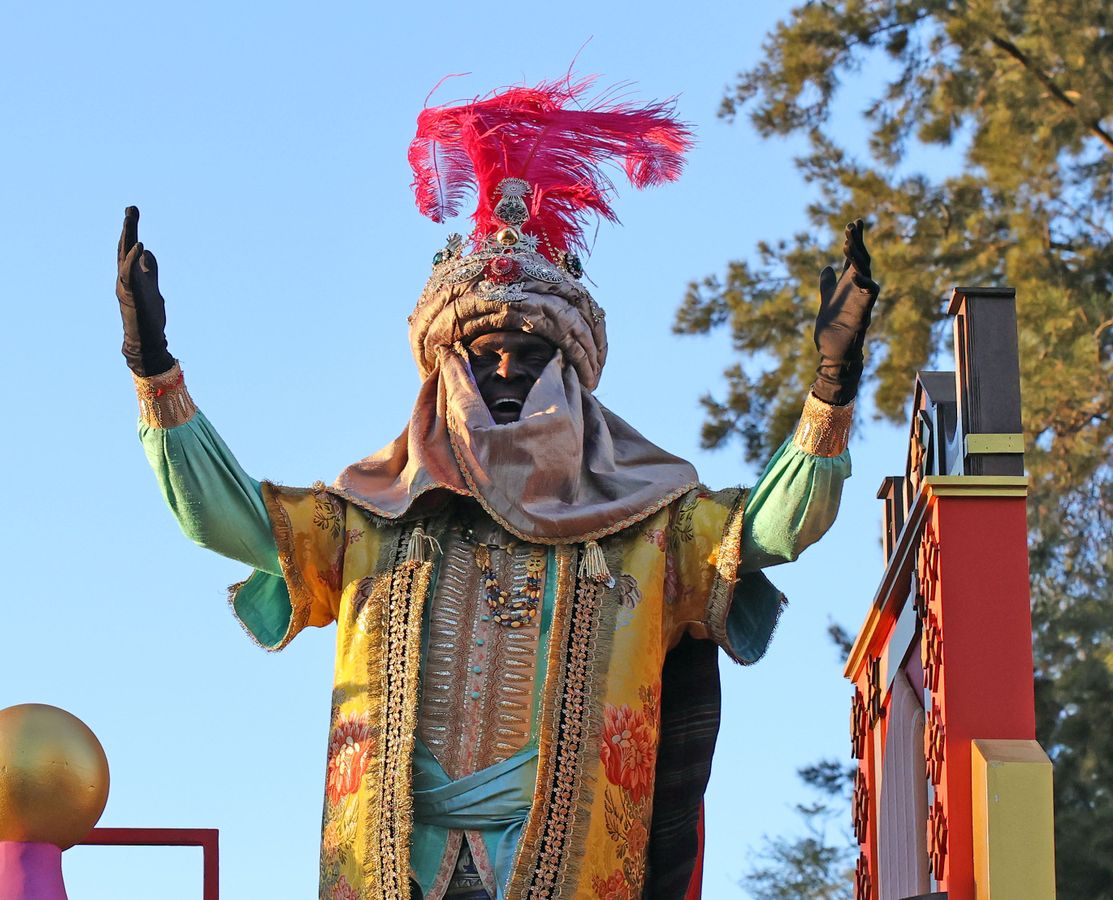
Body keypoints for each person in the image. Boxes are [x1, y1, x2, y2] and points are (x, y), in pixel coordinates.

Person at [117, 79, 878, 900]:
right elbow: (224, 519)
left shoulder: (650, 524)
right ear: (445, 370)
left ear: (573, 372)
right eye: (483, 351)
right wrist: (153, 369)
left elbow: (774, 527)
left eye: (530, 349)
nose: (508, 367)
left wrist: (831, 386)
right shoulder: (369, 518)